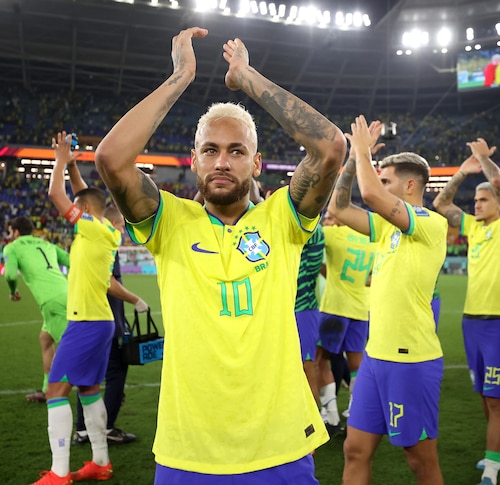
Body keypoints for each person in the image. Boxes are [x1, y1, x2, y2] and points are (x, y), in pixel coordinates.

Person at [93, 27, 347, 483]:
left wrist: (247, 78)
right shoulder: (168, 222)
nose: (222, 162)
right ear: (194, 161)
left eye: (236, 151)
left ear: (256, 163)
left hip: (282, 445)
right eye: (210, 150)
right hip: (189, 450)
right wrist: (181, 76)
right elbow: (110, 158)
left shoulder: (282, 218)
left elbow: (331, 147)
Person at [328, 116, 447, 485]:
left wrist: (363, 152)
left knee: (420, 462)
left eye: (387, 179)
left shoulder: (430, 224)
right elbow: (339, 207)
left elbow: (371, 197)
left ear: (410, 185)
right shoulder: (387, 227)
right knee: (355, 450)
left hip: (411, 361)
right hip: (376, 358)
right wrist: (352, 158)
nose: (380, 185)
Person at [433, 138, 500, 485]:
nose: (477, 205)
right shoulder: (473, 227)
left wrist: (485, 160)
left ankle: (492, 467)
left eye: (483, 199)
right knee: (485, 396)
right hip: (471, 321)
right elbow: (441, 202)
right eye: (475, 200)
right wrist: (462, 172)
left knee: (496, 397)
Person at [32, 132, 122, 485]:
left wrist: (58, 157)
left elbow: (56, 195)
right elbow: (85, 195)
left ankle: (59, 472)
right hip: (98, 321)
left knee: (55, 389)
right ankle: (100, 462)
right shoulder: (105, 228)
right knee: (88, 390)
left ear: (84, 212)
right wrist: (72, 166)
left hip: (86, 323)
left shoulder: (93, 229)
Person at [65, 157, 148, 447]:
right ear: (114, 222)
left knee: (87, 373)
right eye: (122, 225)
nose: (123, 230)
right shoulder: (106, 237)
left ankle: (83, 429)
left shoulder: (90, 231)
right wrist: (136, 299)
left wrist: (72, 167)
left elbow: (85, 197)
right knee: (115, 372)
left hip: (87, 316)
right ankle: (107, 427)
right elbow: (110, 283)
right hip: (104, 318)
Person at [2, 216, 70, 403]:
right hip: (65, 294)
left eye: (10, 232)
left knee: (71, 349)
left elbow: (9, 274)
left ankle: (105, 390)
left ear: (15, 232)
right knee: (45, 340)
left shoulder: (13, 247)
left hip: (51, 302)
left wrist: (12, 291)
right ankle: (47, 388)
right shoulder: (47, 245)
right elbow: (72, 262)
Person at [317, 209, 373, 432]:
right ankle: (356, 411)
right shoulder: (371, 240)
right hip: (361, 309)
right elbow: (374, 275)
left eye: (331, 216)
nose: (327, 221)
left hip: (335, 307)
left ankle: (330, 414)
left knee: (319, 359)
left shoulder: (334, 235)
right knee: (357, 364)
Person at [295, 223, 326, 406]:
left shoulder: (314, 231)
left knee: (307, 368)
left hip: (304, 310)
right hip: (287, 311)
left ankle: (315, 425)